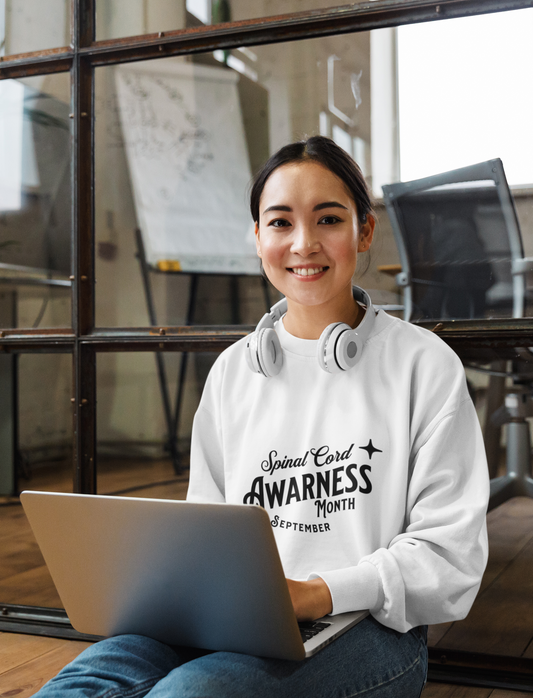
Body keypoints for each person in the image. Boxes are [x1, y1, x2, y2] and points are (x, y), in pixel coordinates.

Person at [34, 136, 489, 697]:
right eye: (279, 223)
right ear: (256, 238)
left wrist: (317, 592)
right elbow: (203, 530)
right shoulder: (232, 373)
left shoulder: (423, 364)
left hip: (372, 629)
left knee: (188, 694)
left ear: (363, 231)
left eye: (328, 219)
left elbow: (449, 560)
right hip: (227, 619)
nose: (303, 243)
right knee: (75, 688)